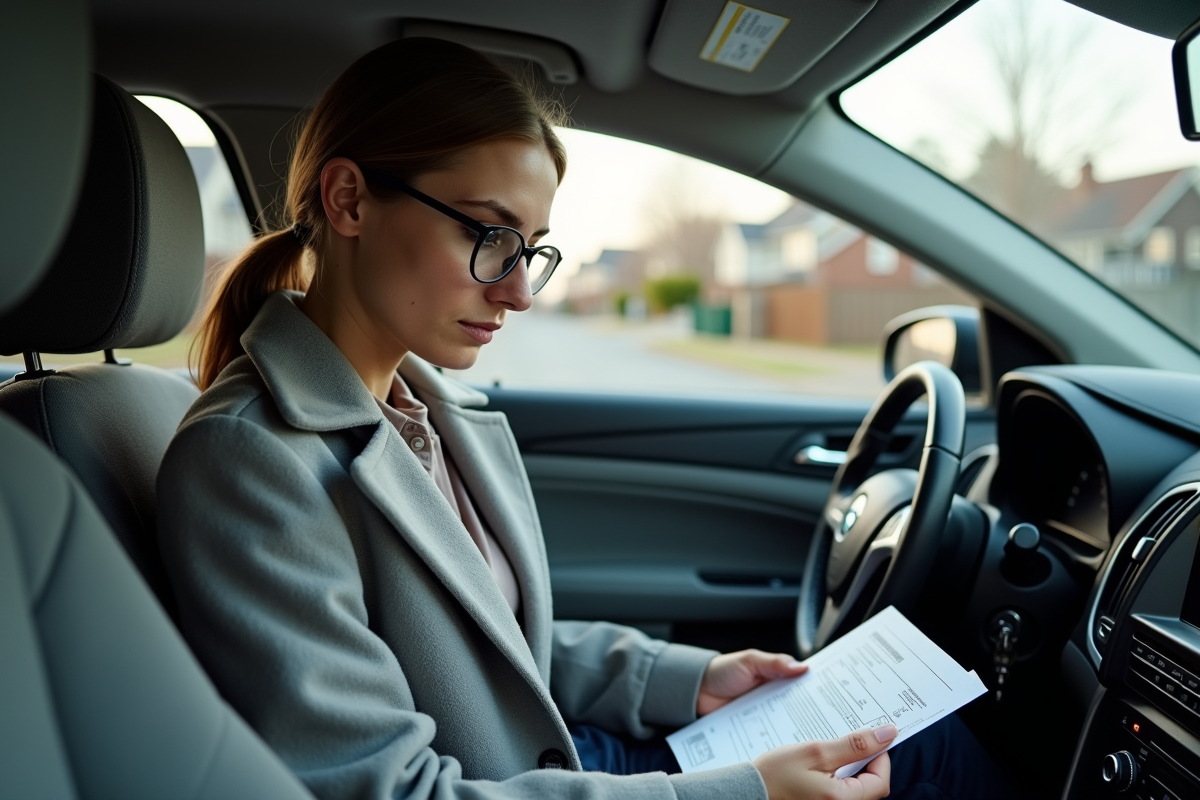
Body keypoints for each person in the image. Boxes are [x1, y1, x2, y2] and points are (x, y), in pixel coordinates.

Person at [157, 37, 1007, 800]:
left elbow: (491, 646)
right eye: (489, 236)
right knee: (930, 758)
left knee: (921, 742)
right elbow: (390, 790)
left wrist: (693, 679)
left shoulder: (423, 407)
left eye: (532, 249)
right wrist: (748, 796)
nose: (520, 290)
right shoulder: (249, 461)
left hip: (552, 758)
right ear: (348, 200)